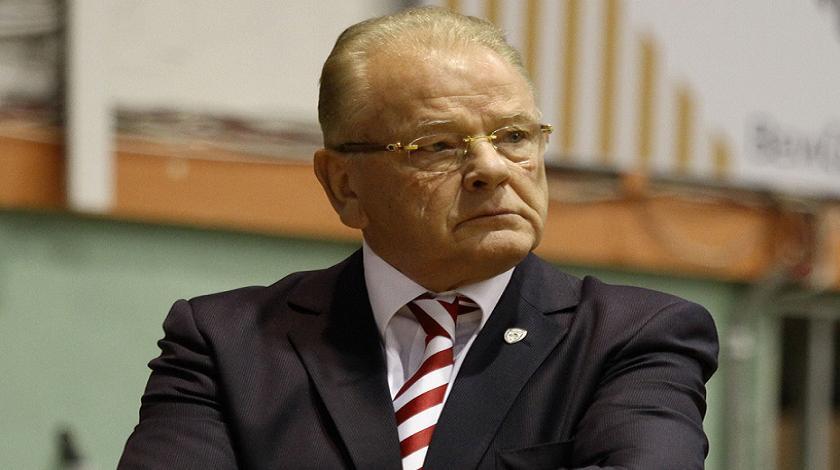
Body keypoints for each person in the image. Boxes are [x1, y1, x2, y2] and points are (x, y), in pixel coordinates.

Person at [119, 7, 718, 470]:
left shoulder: (632, 339)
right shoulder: (228, 345)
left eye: (514, 135)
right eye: (437, 145)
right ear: (345, 184)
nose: (492, 169)